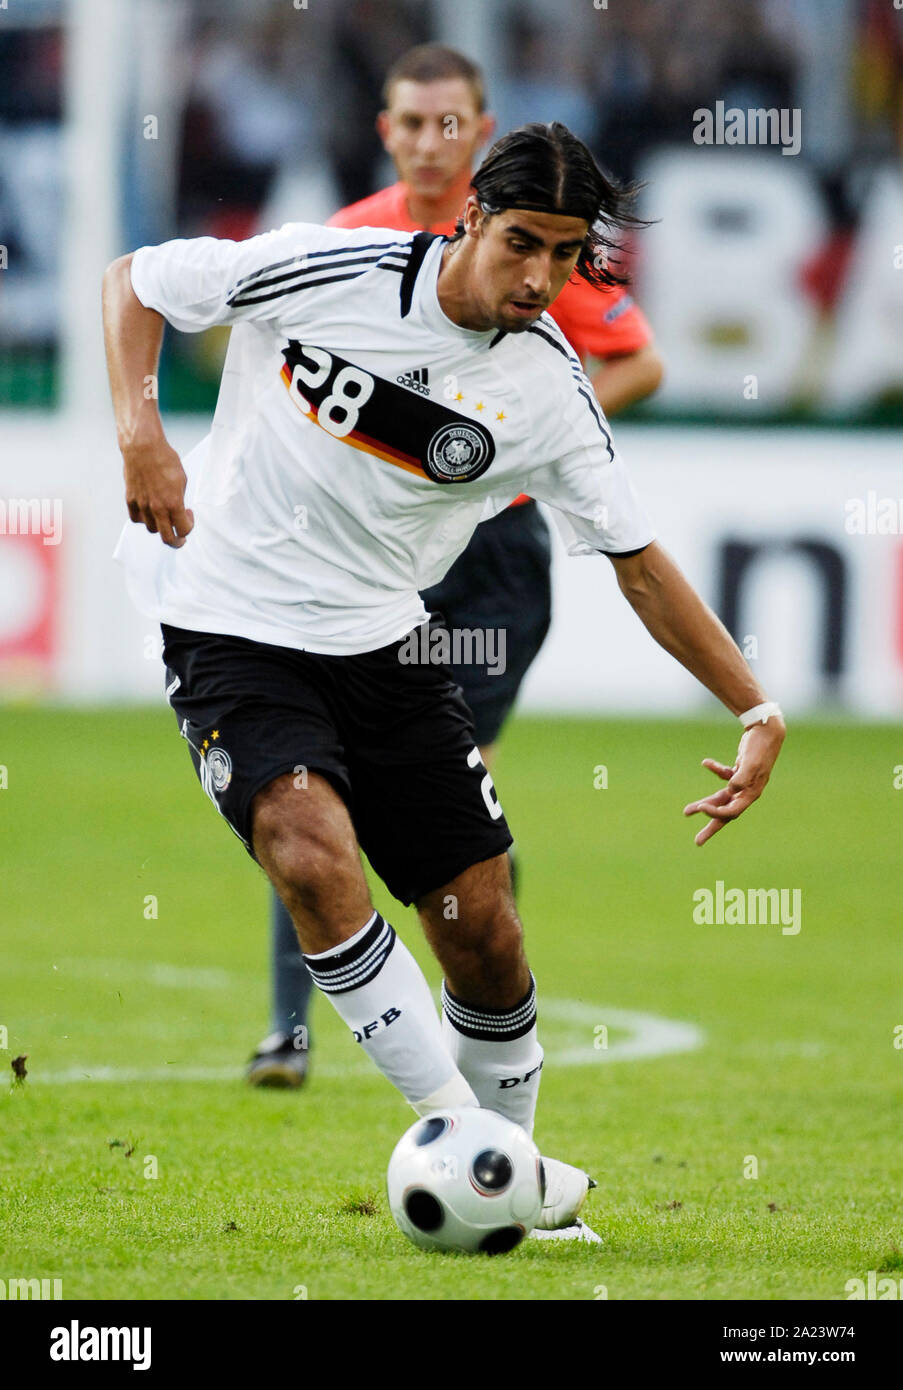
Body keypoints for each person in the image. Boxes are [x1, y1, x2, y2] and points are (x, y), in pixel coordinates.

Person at [104, 122, 785, 1240]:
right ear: (469, 217)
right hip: (228, 622)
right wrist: (140, 429)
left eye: (566, 257)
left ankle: (504, 1170)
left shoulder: (549, 389)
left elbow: (640, 565)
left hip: (387, 646)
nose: (539, 277)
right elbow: (132, 280)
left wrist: (753, 706)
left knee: (483, 929)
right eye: (521, 242)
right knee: (306, 848)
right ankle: (473, 1146)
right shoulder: (331, 268)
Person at [249, 44, 664, 1088]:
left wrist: (510, 455)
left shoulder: (531, 238)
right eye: (406, 123)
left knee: (417, 777)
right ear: (383, 131)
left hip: (488, 562)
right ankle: (288, 1029)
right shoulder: (349, 240)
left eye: (448, 124)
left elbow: (636, 358)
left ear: (479, 135)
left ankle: (473, 957)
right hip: (363, 557)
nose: (425, 141)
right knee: (312, 784)